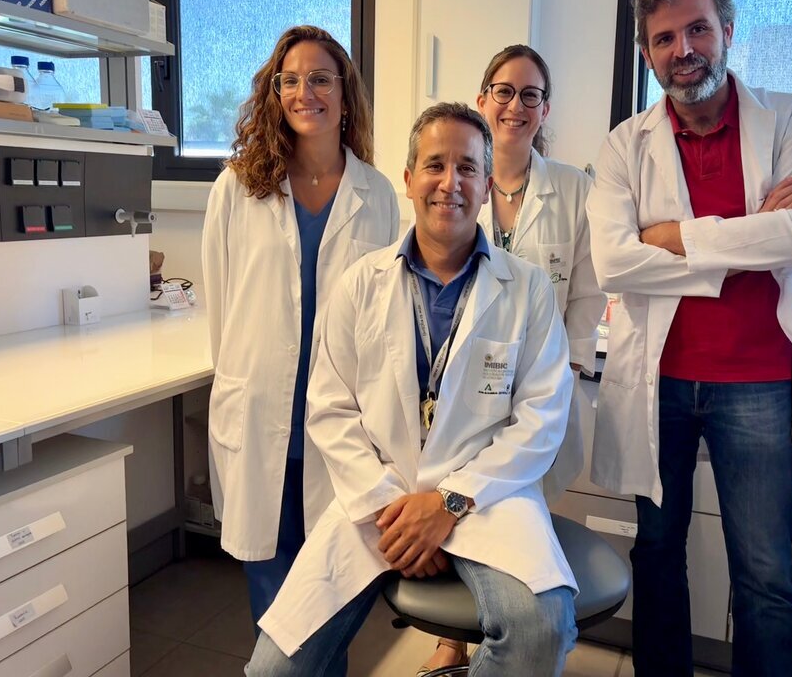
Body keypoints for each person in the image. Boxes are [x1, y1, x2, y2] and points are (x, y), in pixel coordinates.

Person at [245, 102, 579, 677]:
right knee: (275, 668)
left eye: (467, 168)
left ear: (487, 184)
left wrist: (448, 503)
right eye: (435, 165)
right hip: (380, 500)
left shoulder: (527, 289)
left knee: (540, 628)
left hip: (488, 499)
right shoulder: (360, 284)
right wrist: (393, 512)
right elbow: (330, 409)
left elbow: (541, 419)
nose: (450, 183)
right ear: (408, 179)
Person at [586, 0, 792, 676]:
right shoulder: (624, 144)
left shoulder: (791, 119)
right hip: (660, 383)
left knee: (764, 572)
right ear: (647, 53)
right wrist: (742, 240)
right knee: (656, 553)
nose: (683, 50)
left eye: (697, 29)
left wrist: (673, 237)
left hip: (760, 383)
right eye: (664, 38)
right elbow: (613, 263)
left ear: (727, 31)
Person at [201, 25, 400, 634]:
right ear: (274, 93)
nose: (303, 93)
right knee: (271, 591)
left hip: (340, 422)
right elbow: (221, 304)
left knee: (328, 585)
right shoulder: (238, 186)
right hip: (260, 411)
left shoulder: (376, 194)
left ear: (344, 93)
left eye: (319, 79)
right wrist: (239, 380)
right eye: (289, 81)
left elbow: (384, 319)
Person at [418, 44, 608, 675]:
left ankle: (515, 635)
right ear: (483, 99)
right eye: (503, 91)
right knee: (456, 506)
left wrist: (565, 372)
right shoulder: (456, 187)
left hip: (539, 396)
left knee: (519, 529)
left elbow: (588, 293)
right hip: (463, 399)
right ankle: (453, 640)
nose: (515, 105)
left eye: (531, 95)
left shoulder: (574, 189)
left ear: (545, 108)